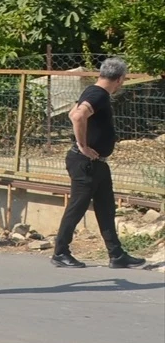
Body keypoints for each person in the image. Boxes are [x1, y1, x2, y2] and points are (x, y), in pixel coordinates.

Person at [51, 57, 145, 270]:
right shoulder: (99, 94)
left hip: (97, 163)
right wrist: (83, 145)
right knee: (77, 207)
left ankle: (116, 254)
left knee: (106, 208)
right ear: (120, 79)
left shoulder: (93, 91)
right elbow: (77, 116)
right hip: (85, 162)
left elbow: (71, 112)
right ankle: (60, 252)